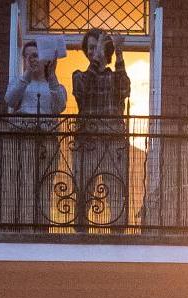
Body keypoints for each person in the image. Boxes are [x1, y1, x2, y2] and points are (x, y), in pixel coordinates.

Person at [71, 29, 132, 229]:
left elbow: (125, 89)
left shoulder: (115, 76)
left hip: (113, 142)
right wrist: (96, 61)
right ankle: (80, 235)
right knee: (83, 190)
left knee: (116, 190)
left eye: (97, 46)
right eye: (90, 47)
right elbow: (81, 90)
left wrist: (120, 53)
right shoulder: (79, 75)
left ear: (106, 49)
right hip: (87, 143)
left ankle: (119, 236)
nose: (93, 51)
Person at [4, 38, 68, 227]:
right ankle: (23, 226)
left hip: (47, 142)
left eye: (36, 55)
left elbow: (60, 106)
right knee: (23, 184)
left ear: (45, 59)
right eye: (28, 56)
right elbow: (10, 100)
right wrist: (26, 75)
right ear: (23, 59)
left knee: (45, 186)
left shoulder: (54, 85)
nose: (32, 59)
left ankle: (42, 227)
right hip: (23, 140)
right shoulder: (20, 81)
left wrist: (53, 75)